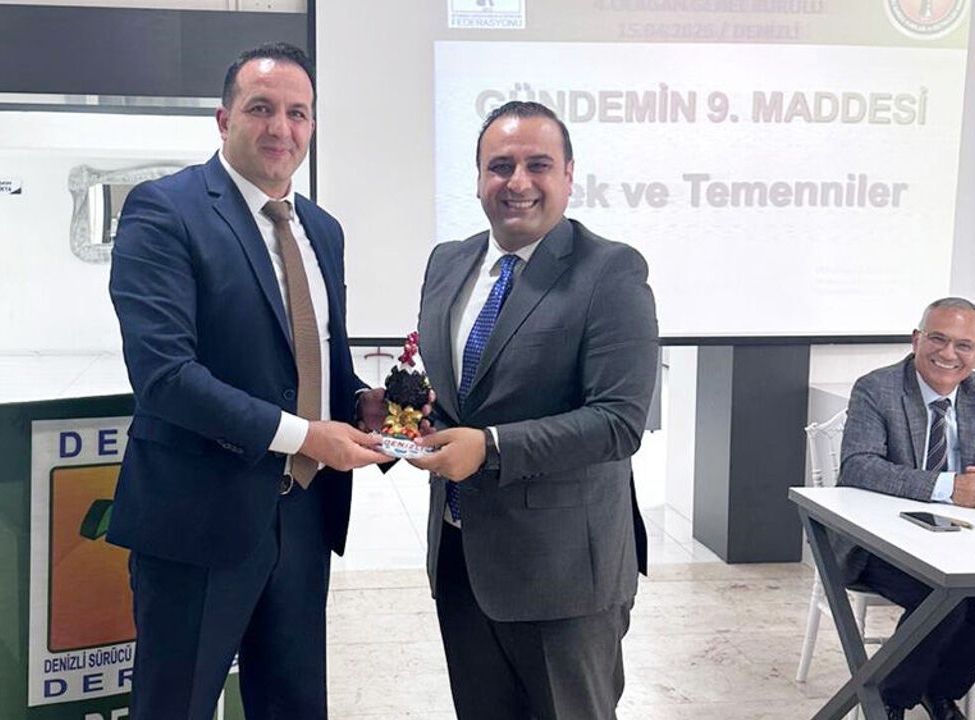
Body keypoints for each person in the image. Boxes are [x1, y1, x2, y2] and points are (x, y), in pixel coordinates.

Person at [106, 42, 391, 720]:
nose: (280, 128)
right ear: (223, 118)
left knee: (294, 706)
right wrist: (306, 436)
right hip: (197, 521)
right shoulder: (165, 211)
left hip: (304, 519)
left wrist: (362, 403)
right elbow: (165, 377)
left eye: (298, 113)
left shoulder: (322, 229)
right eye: (261, 108)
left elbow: (310, 359)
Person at [410, 100, 658, 720]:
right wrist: (402, 416)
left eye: (538, 165)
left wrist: (490, 447)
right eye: (500, 166)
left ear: (569, 176)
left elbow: (618, 421)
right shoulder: (448, 262)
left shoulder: (610, 271)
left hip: (564, 577)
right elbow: (457, 393)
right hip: (462, 560)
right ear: (477, 179)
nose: (517, 182)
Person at [838, 296, 975, 720]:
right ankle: (889, 702)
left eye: (964, 345)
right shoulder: (877, 388)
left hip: (965, 542)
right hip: (880, 543)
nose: (948, 353)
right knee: (943, 603)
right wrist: (949, 488)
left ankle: (938, 691)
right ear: (916, 339)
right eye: (938, 339)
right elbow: (858, 466)